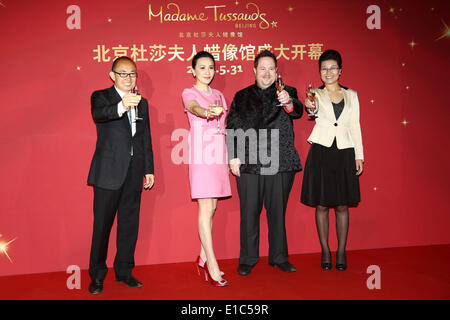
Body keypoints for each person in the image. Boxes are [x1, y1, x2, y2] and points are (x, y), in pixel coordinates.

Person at [226, 50, 303, 276]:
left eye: (271, 68)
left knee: (277, 212)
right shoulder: (241, 96)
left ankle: (279, 257)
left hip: (280, 162)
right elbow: (232, 127)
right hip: (249, 162)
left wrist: (288, 103)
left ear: (277, 71)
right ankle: (248, 258)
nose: (267, 73)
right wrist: (233, 156)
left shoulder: (286, 92)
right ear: (254, 70)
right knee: (249, 212)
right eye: (262, 68)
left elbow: (296, 110)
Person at [87, 56, 155, 294]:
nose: (129, 78)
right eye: (123, 73)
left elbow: (144, 138)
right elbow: (100, 114)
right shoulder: (101, 96)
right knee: (102, 227)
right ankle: (96, 275)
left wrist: (148, 169)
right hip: (108, 172)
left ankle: (124, 271)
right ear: (112, 75)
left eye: (133, 73)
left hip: (134, 173)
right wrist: (122, 105)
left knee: (129, 225)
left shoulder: (143, 103)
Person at [301, 49, 364, 271]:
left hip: (345, 151)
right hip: (322, 151)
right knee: (320, 204)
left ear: (340, 71)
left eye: (332, 68)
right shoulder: (314, 94)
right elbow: (312, 109)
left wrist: (359, 155)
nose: (328, 72)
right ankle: (326, 250)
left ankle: (341, 251)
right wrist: (311, 106)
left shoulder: (352, 95)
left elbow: (355, 125)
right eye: (324, 69)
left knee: (341, 205)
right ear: (320, 72)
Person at [181, 51, 231, 287]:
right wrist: (206, 111)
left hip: (218, 153)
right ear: (193, 70)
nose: (207, 72)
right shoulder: (189, 92)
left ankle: (201, 257)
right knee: (204, 207)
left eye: (211, 67)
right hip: (201, 153)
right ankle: (212, 263)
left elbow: (225, 126)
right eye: (202, 67)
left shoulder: (220, 94)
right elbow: (193, 107)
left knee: (212, 207)